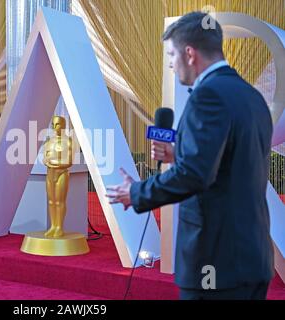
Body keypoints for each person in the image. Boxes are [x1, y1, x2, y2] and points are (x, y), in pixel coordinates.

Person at [106, 11, 275, 300]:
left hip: (216, 260)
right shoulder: (251, 96)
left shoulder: (208, 96)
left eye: (172, 54)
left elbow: (194, 176)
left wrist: (136, 192)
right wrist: (178, 153)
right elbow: (231, 161)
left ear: (189, 53)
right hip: (252, 257)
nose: (171, 64)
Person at [43, 116, 73, 238]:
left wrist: (54, 163)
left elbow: (69, 161)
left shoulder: (68, 141)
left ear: (64, 125)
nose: (56, 128)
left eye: (58, 125)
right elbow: (45, 158)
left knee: (60, 201)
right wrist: (47, 162)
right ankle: (53, 226)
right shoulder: (49, 142)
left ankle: (59, 227)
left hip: (62, 173)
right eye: (54, 125)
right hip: (50, 174)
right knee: (51, 201)